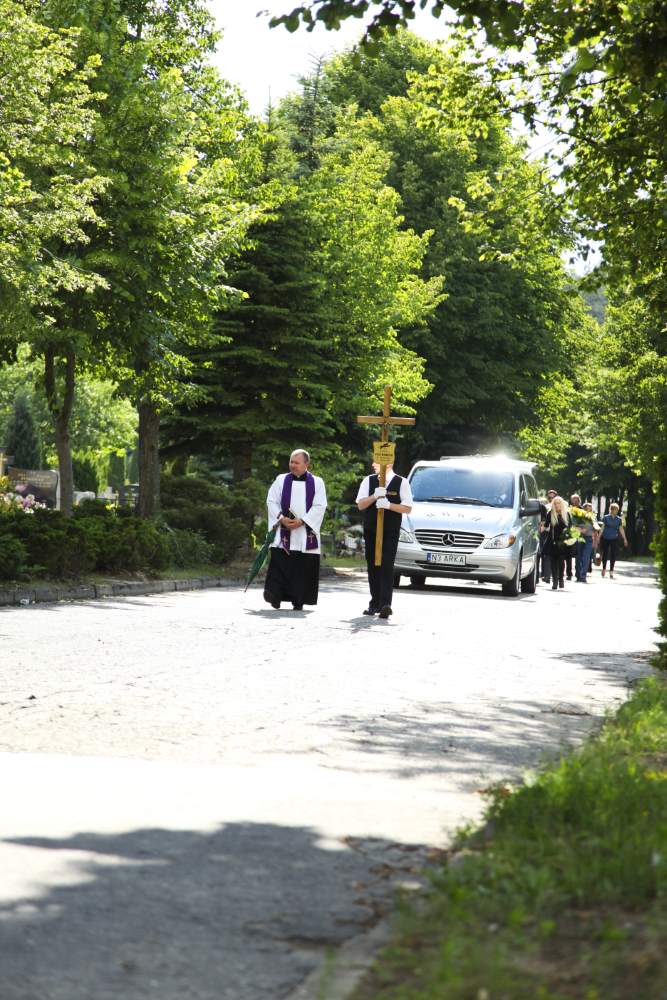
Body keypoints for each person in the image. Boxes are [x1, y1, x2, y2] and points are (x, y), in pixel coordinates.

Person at [263, 449, 327, 610]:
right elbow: (271, 501)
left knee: (302, 569)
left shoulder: (317, 482)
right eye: (291, 462)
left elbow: (320, 506)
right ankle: (275, 596)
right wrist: (281, 518)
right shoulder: (281, 480)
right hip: (283, 530)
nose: (292, 465)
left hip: (305, 534)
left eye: (296, 462)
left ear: (307, 464)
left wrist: (302, 521)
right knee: (280, 565)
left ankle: (299, 600)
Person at [356, 462, 413, 618]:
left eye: (379, 461)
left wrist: (388, 505)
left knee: (386, 565)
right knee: (373, 565)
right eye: (375, 460)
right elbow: (361, 505)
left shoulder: (401, 482)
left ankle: (385, 604)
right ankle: (374, 603)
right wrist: (374, 496)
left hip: (390, 531)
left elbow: (407, 508)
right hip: (371, 530)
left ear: (390, 463)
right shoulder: (368, 480)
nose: (375, 464)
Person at [542, 495, 570, 590]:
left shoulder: (566, 514)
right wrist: (539, 528)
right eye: (555, 503)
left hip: (563, 541)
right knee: (553, 562)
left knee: (561, 562)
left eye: (558, 503)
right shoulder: (550, 513)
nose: (557, 505)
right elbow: (546, 525)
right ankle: (555, 581)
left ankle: (561, 579)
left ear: (561, 504)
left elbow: (570, 527)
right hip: (553, 540)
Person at [600, 502, 628, 578]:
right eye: (614, 509)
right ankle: (604, 568)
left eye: (616, 509)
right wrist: (599, 537)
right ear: (611, 509)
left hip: (614, 538)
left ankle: (611, 570)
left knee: (613, 554)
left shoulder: (619, 519)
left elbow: (621, 529)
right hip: (605, 537)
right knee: (605, 553)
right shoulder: (606, 518)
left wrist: (624, 539)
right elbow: (602, 528)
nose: (615, 511)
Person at [572, 499, 596, 583]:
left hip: (589, 539)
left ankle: (583, 576)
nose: (589, 510)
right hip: (580, 537)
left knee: (586, 557)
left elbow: (596, 528)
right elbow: (573, 526)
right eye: (587, 508)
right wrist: (581, 530)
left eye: (590, 508)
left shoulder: (593, 517)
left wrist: (596, 540)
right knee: (579, 557)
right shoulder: (579, 516)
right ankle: (578, 575)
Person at [538, 488, 557, 583]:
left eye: (553, 496)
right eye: (550, 496)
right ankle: (545, 574)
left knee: (552, 555)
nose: (551, 498)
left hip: (554, 534)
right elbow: (545, 523)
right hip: (545, 533)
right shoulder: (545, 508)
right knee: (543, 554)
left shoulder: (559, 508)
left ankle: (552, 574)